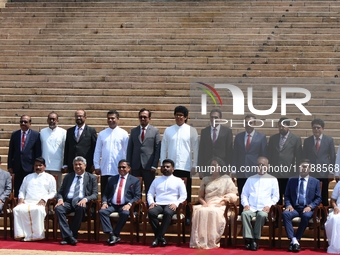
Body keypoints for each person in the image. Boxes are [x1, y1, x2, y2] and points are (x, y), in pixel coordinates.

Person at [160, 105, 198, 223]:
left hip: (185, 166)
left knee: (185, 191)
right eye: (177, 115)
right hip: (171, 167)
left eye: (181, 115)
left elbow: (196, 149)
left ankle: (186, 215)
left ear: (186, 117)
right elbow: (163, 147)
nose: (179, 117)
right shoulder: (169, 130)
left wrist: (195, 164)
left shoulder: (191, 130)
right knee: (171, 191)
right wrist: (163, 163)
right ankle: (170, 214)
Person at [190, 157, 238, 249]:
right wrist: (204, 203)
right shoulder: (205, 179)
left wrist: (224, 201)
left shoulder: (226, 178)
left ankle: (212, 240)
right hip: (207, 203)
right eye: (211, 165)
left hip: (220, 204)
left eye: (215, 165)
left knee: (213, 211)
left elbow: (233, 194)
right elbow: (200, 196)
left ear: (220, 167)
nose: (213, 167)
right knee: (201, 211)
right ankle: (202, 240)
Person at [55, 156, 98, 245]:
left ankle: (71, 236)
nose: (77, 166)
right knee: (58, 209)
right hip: (68, 202)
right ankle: (69, 236)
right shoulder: (68, 177)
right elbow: (60, 192)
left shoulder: (91, 177)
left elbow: (95, 194)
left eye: (80, 164)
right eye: (75, 165)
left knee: (80, 208)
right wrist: (60, 199)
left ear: (85, 166)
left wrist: (85, 199)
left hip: (82, 202)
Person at [282, 159, 322, 252]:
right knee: (285, 214)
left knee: (306, 216)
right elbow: (287, 195)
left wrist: (310, 206)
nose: (302, 169)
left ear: (310, 169)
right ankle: (294, 240)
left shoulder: (315, 181)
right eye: (301, 167)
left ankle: (295, 240)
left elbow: (318, 198)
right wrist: (288, 205)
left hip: (307, 208)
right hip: (294, 208)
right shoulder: (291, 180)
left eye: (305, 167)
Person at [240, 157, 279, 251]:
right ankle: (250, 239)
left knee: (261, 215)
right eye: (259, 165)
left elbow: (275, 196)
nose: (261, 167)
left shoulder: (272, 179)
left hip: (264, 208)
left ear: (267, 166)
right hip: (251, 207)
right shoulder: (250, 179)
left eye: (263, 165)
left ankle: (255, 240)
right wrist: (245, 204)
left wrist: (269, 206)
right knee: (244, 214)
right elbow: (244, 194)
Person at [99, 160, 141, 245]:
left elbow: (137, 196)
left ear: (129, 168)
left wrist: (129, 204)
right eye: (119, 167)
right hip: (112, 205)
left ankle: (115, 233)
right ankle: (111, 234)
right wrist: (104, 202)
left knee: (125, 213)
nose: (121, 169)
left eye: (123, 167)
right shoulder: (111, 179)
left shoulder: (134, 180)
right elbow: (105, 194)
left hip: (125, 205)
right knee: (102, 212)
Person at [13, 157, 56, 241]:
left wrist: (44, 199)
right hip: (27, 202)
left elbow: (53, 192)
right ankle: (21, 234)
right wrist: (21, 199)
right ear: (33, 166)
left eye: (40, 165)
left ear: (45, 166)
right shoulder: (28, 177)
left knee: (38, 210)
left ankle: (37, 235)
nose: (38, 167)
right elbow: (22, 190)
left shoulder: (50, 178)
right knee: (16, 209)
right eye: (36, 165)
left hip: (41, 203)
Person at [147, 159, 187, 247]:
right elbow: (150, 193)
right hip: (158, 203)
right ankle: (160, 237)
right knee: (151, 212)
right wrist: (151, 202)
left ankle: (157, 238)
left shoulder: (178, 180)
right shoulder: (156, 180)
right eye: (164, 167)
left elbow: (183, 196)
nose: (165, 168)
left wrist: (176, 204)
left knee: (167, 212)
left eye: (168, 167)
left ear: (173, 169)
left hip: (171, 204)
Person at [232, 115, 267, 213]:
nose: (248, 125)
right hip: (241, 171)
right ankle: (242, 216)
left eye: (250, 123)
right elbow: (235, 154)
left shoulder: (261, 137)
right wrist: (233, 169)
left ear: (255, 124)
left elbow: (263, 155)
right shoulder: (238, 137)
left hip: (254, 172)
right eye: (246, 123)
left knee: (253, 194)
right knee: (242, 194)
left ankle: (254, 214)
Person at [268, 118, 302, 205]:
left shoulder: (296, 139)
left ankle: (287, 213)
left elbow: (298, 157)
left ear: (288, 126)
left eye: (283, 126)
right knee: (276, 196)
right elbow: (270, 154)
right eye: (279, 126)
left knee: (288, 195)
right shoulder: (273, 138)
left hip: (288, 172)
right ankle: (277, 215)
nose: (281, 128)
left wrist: (298, 172)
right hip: (275, 172)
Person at [126, 108, 161, 196]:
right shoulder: (134, 131)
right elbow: (130, 149)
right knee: (135, 190)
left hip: (149, 166)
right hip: (135, 165)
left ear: (149, 118)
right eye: (141, 117)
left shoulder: (155, 131)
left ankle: (150, 207)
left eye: (145, 117)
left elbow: (157, 149)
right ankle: (136, 208)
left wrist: (154, 164)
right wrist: (129, 165)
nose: (142, 119)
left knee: (150, 189)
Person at [94, 110, 129, 194]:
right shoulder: (102, 134)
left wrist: (126, 166)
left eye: (113, 118)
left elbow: (127, 151)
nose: (110, 120)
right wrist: (96, 165)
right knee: (105, 192)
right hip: (104, 168)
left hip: (118, 169)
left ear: (118, 119)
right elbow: (97, 150)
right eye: (109, 118)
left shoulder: (123, 133)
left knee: (116, 192)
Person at [302, 118, 335, 206]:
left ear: (322, 128)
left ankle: (324, 211)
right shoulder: (307, 141)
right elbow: (304, 157)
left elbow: (332, 157)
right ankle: (311, 209)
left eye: (318, 127)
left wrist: (331, 172)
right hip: (311, 172)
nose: (316, 129)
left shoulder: (329, 140)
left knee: (324, 192)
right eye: (314, 128)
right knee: (311, 191)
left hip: (324, 171)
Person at [8, 115, 42, 197]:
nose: (23, 123)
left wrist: (36, 166)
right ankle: (17, 204)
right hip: (17, 166)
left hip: (29, 166)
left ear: (30, 123)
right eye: (21, 121)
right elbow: (11, 151)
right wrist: (10, 165)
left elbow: (38, 152)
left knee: (29, 186)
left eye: (25, 122)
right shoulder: (15, 134)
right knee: (17, 187)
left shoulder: (36, 135)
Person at [197, 109, 233, 178]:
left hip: (222, 167)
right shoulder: (204, 131)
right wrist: (200, 169)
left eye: (216, 117)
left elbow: (229, 151)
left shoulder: (227, 131)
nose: (214, 119)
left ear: (220, 119)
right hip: (207, 166)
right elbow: (201, 151)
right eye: (212, 117)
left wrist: (229, 168)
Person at [40, 111, 67, 189]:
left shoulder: (63, 132)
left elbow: (66, 149)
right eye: (50, 119)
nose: (52, 121)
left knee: (56, 188)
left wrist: (64, 164)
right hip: (44, 166)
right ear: (47, 120)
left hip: (57, 165)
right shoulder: (42, 132)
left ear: (57, 120)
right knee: (44, 187)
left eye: (54, 119)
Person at [325, 179, 340, 254]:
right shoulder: (339, 183)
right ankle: (335, 246)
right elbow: (333, 200)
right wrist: (335, 207)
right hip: (339, 209)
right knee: (334, 219)